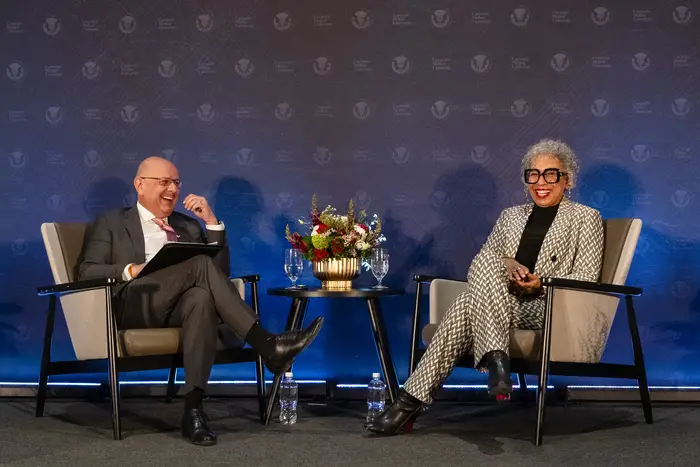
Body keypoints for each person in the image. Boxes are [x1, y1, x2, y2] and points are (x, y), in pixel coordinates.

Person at [78, 156, 324, 446]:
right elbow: (86, 271)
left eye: (176, 183)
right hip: (135, 303)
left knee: (201, 298)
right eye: (164, 182)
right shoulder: (111, 222)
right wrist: (131, 270)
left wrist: (210, 222)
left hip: (179, 306)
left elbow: (219, 276)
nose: (172, 189)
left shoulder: (188, 225)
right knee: (198, 264)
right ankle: (268, 345)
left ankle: (193, 410)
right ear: (140, 185)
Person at [367, 139, 604, 435]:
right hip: (502, 302)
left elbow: (587, 279)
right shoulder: (510, 216)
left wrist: (539, 282)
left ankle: (407, 404)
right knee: (488, 258)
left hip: (550, 305)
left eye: (550, 174)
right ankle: (496, 359)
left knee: (466, 305)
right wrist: (508, 265)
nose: (540, 182)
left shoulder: (585, 218)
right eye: (533, 174)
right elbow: (483, 265)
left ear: (567, 180)